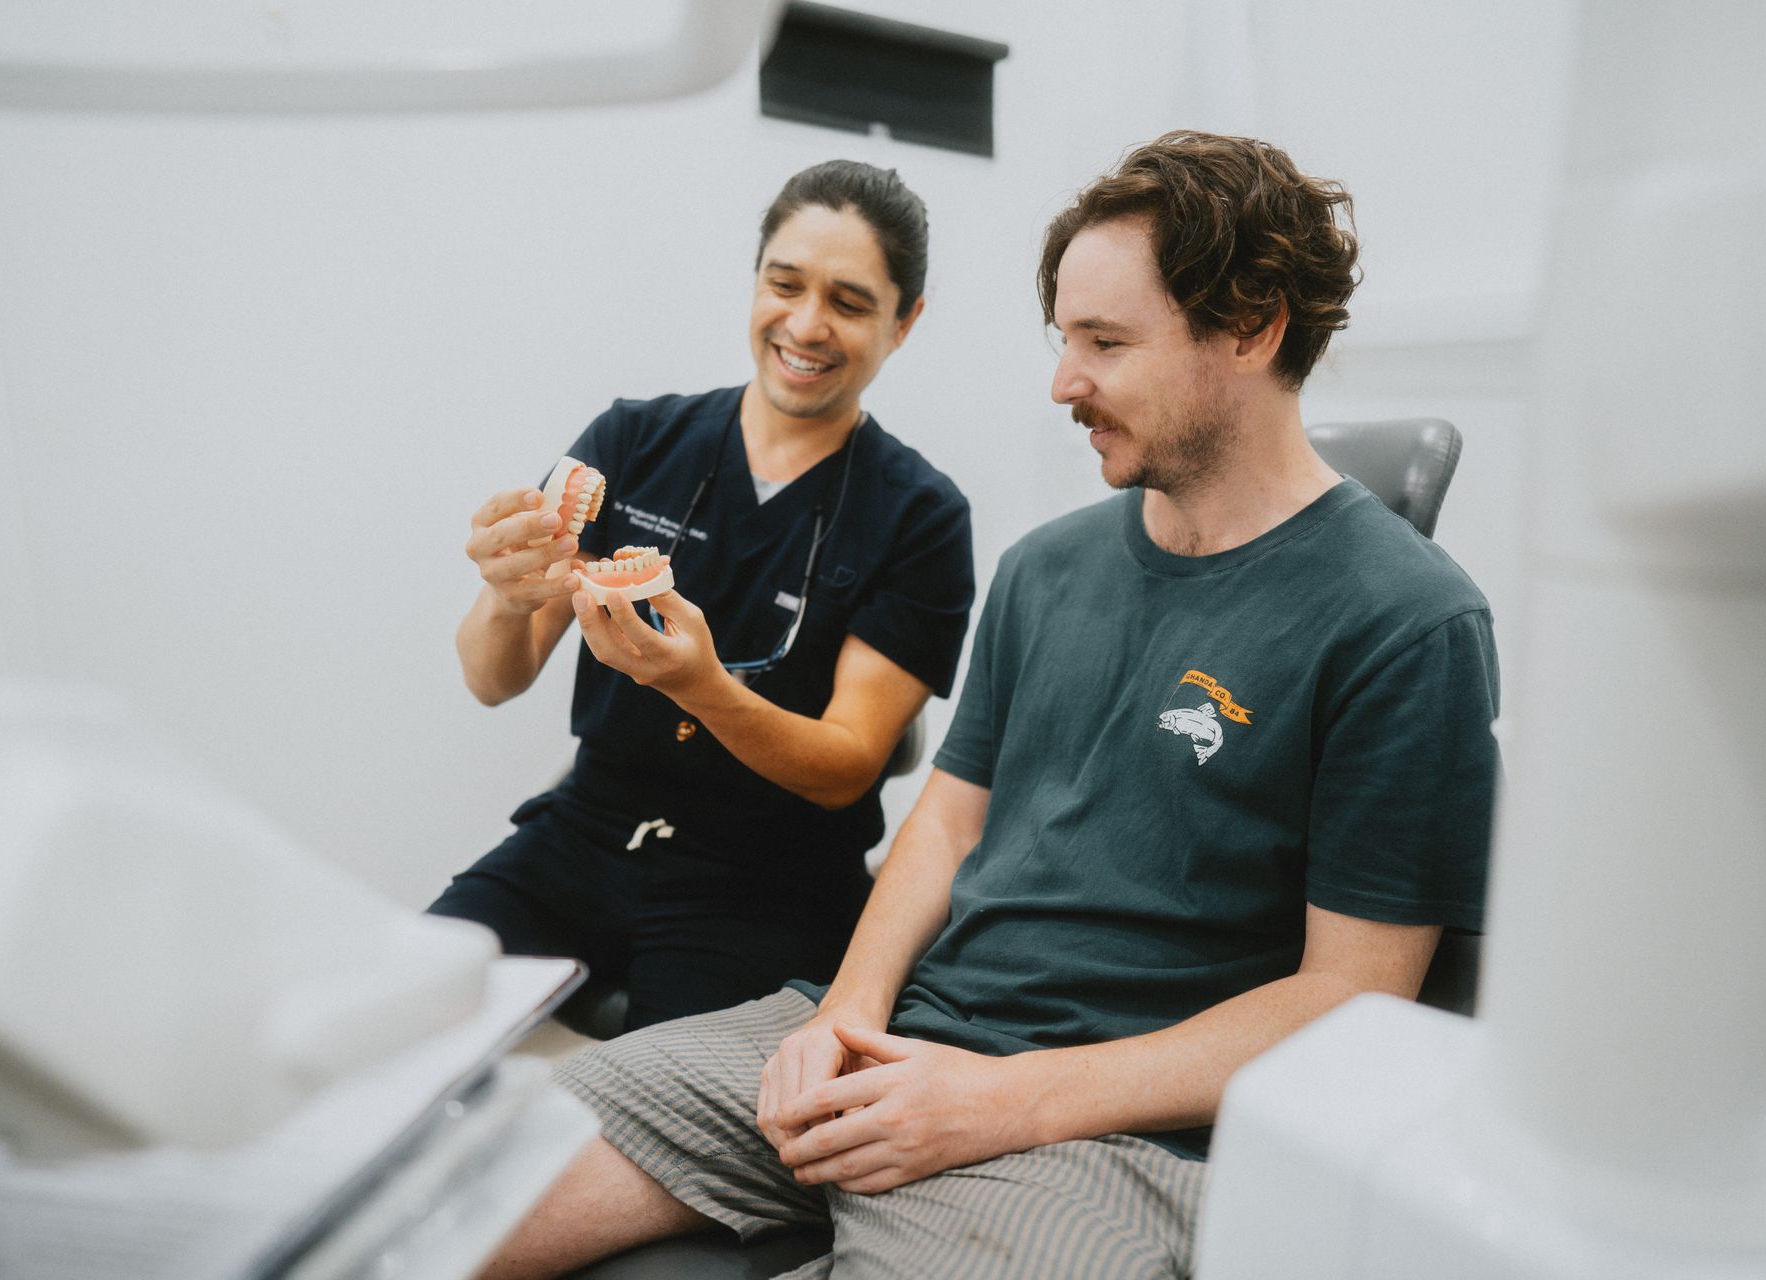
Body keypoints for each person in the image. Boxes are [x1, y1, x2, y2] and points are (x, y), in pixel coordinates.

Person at [485, 131, 1501, 1280]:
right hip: (893, 1040)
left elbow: (1348, 996)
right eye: (1064, 339)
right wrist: (846, 1015)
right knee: (454, 1193)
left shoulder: (1405, 621)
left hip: (1106, 1129)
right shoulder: (1045, 567)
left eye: (1106, 344)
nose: (1064, 382)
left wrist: (1001, 1099)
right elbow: (947, 822)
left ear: (1254, 327)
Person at [432, 161, 975, 1034]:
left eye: (849, 301)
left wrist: (701, 687)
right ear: (755, 278)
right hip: (587, 831)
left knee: (655, 1121)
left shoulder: (921, 517)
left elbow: (846, 767)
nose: (805, 325)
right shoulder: (632, 440)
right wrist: (503, 597)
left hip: (767, 881)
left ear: (904, 322)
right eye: (784, 283)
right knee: (400, 1010)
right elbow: (494, 679)